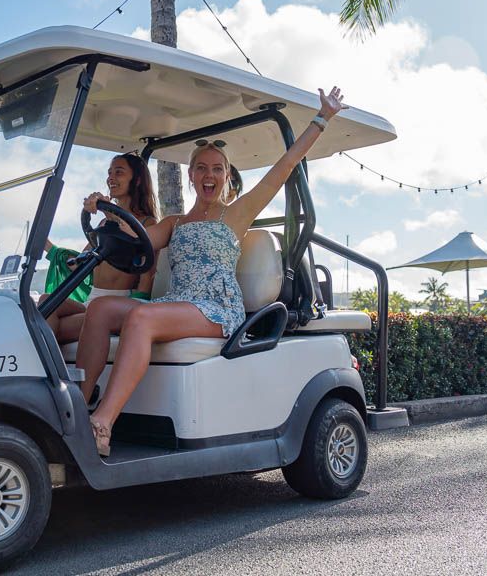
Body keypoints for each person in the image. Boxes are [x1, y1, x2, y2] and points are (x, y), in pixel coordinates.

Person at [77, 87, 347, 456]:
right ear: (190, 176)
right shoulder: (174, 221)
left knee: (141, 317)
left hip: (215, 308)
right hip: (179, 303)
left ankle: (103, 422)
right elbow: (136, 238)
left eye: (217, 169)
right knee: (100, 310)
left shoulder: (236, 213)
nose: (209, 174)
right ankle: (79, 405)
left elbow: (284, 167)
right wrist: (106, 210)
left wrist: (322, 119)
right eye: (201, 168)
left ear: (226, 176)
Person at [41, 153, 159, 344]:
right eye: (109, 172)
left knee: (49, 327)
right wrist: (48, 247)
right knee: (46, 302)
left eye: (119, 172)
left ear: (137, 180)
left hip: (120, 303)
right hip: (93, 300)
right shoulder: (104, 223)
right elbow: (81, 264)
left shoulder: (148, 223)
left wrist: (108, 210)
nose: (111, 177)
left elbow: (146, 278)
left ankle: (46, 369)